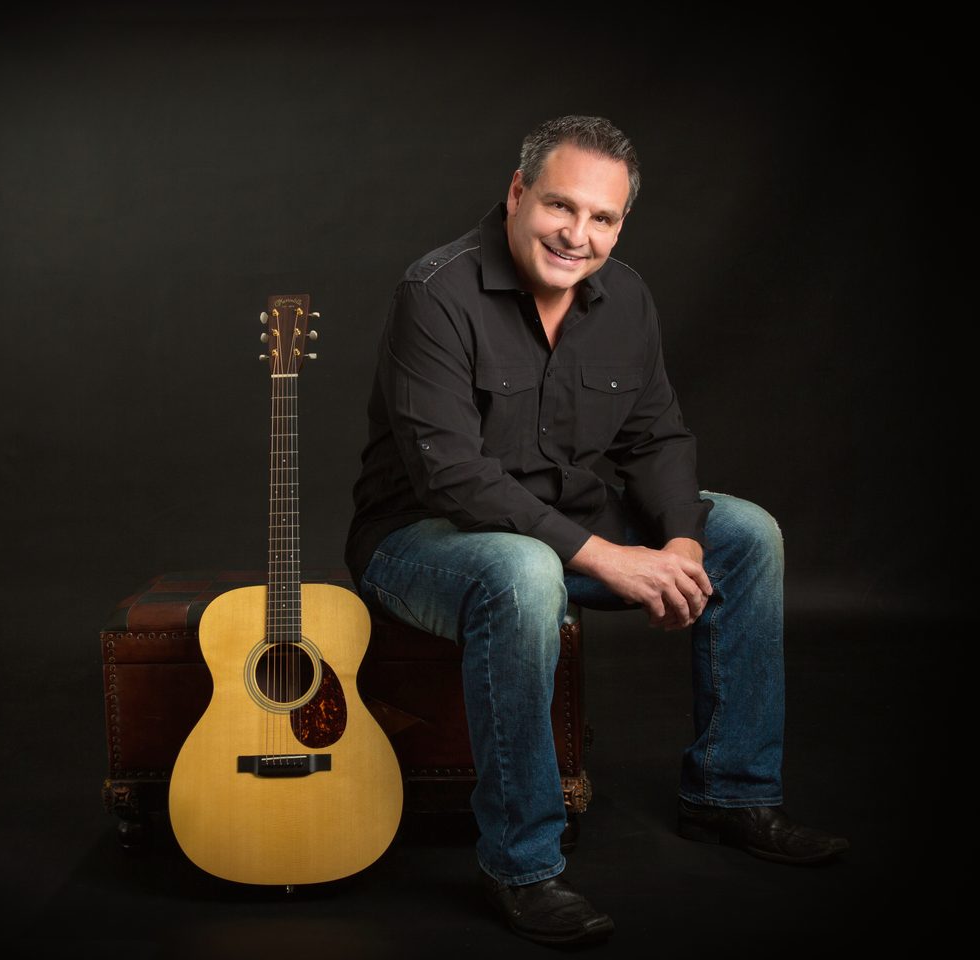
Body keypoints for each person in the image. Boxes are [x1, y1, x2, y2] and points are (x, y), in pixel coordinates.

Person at [344, 115, 848, 946]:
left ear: (621, 223)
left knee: (746, 534)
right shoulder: (434, 293)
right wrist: (608, 558)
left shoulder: (627, 298)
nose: (577, 236)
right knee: (522, 571)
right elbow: (452, 477)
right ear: (517, 193)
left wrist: (681, 542)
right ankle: (521, 865)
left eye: (602, 218)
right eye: (560, 206)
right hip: (422, 539)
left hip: (566, 520)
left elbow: (657, 439)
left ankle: (731, 795)